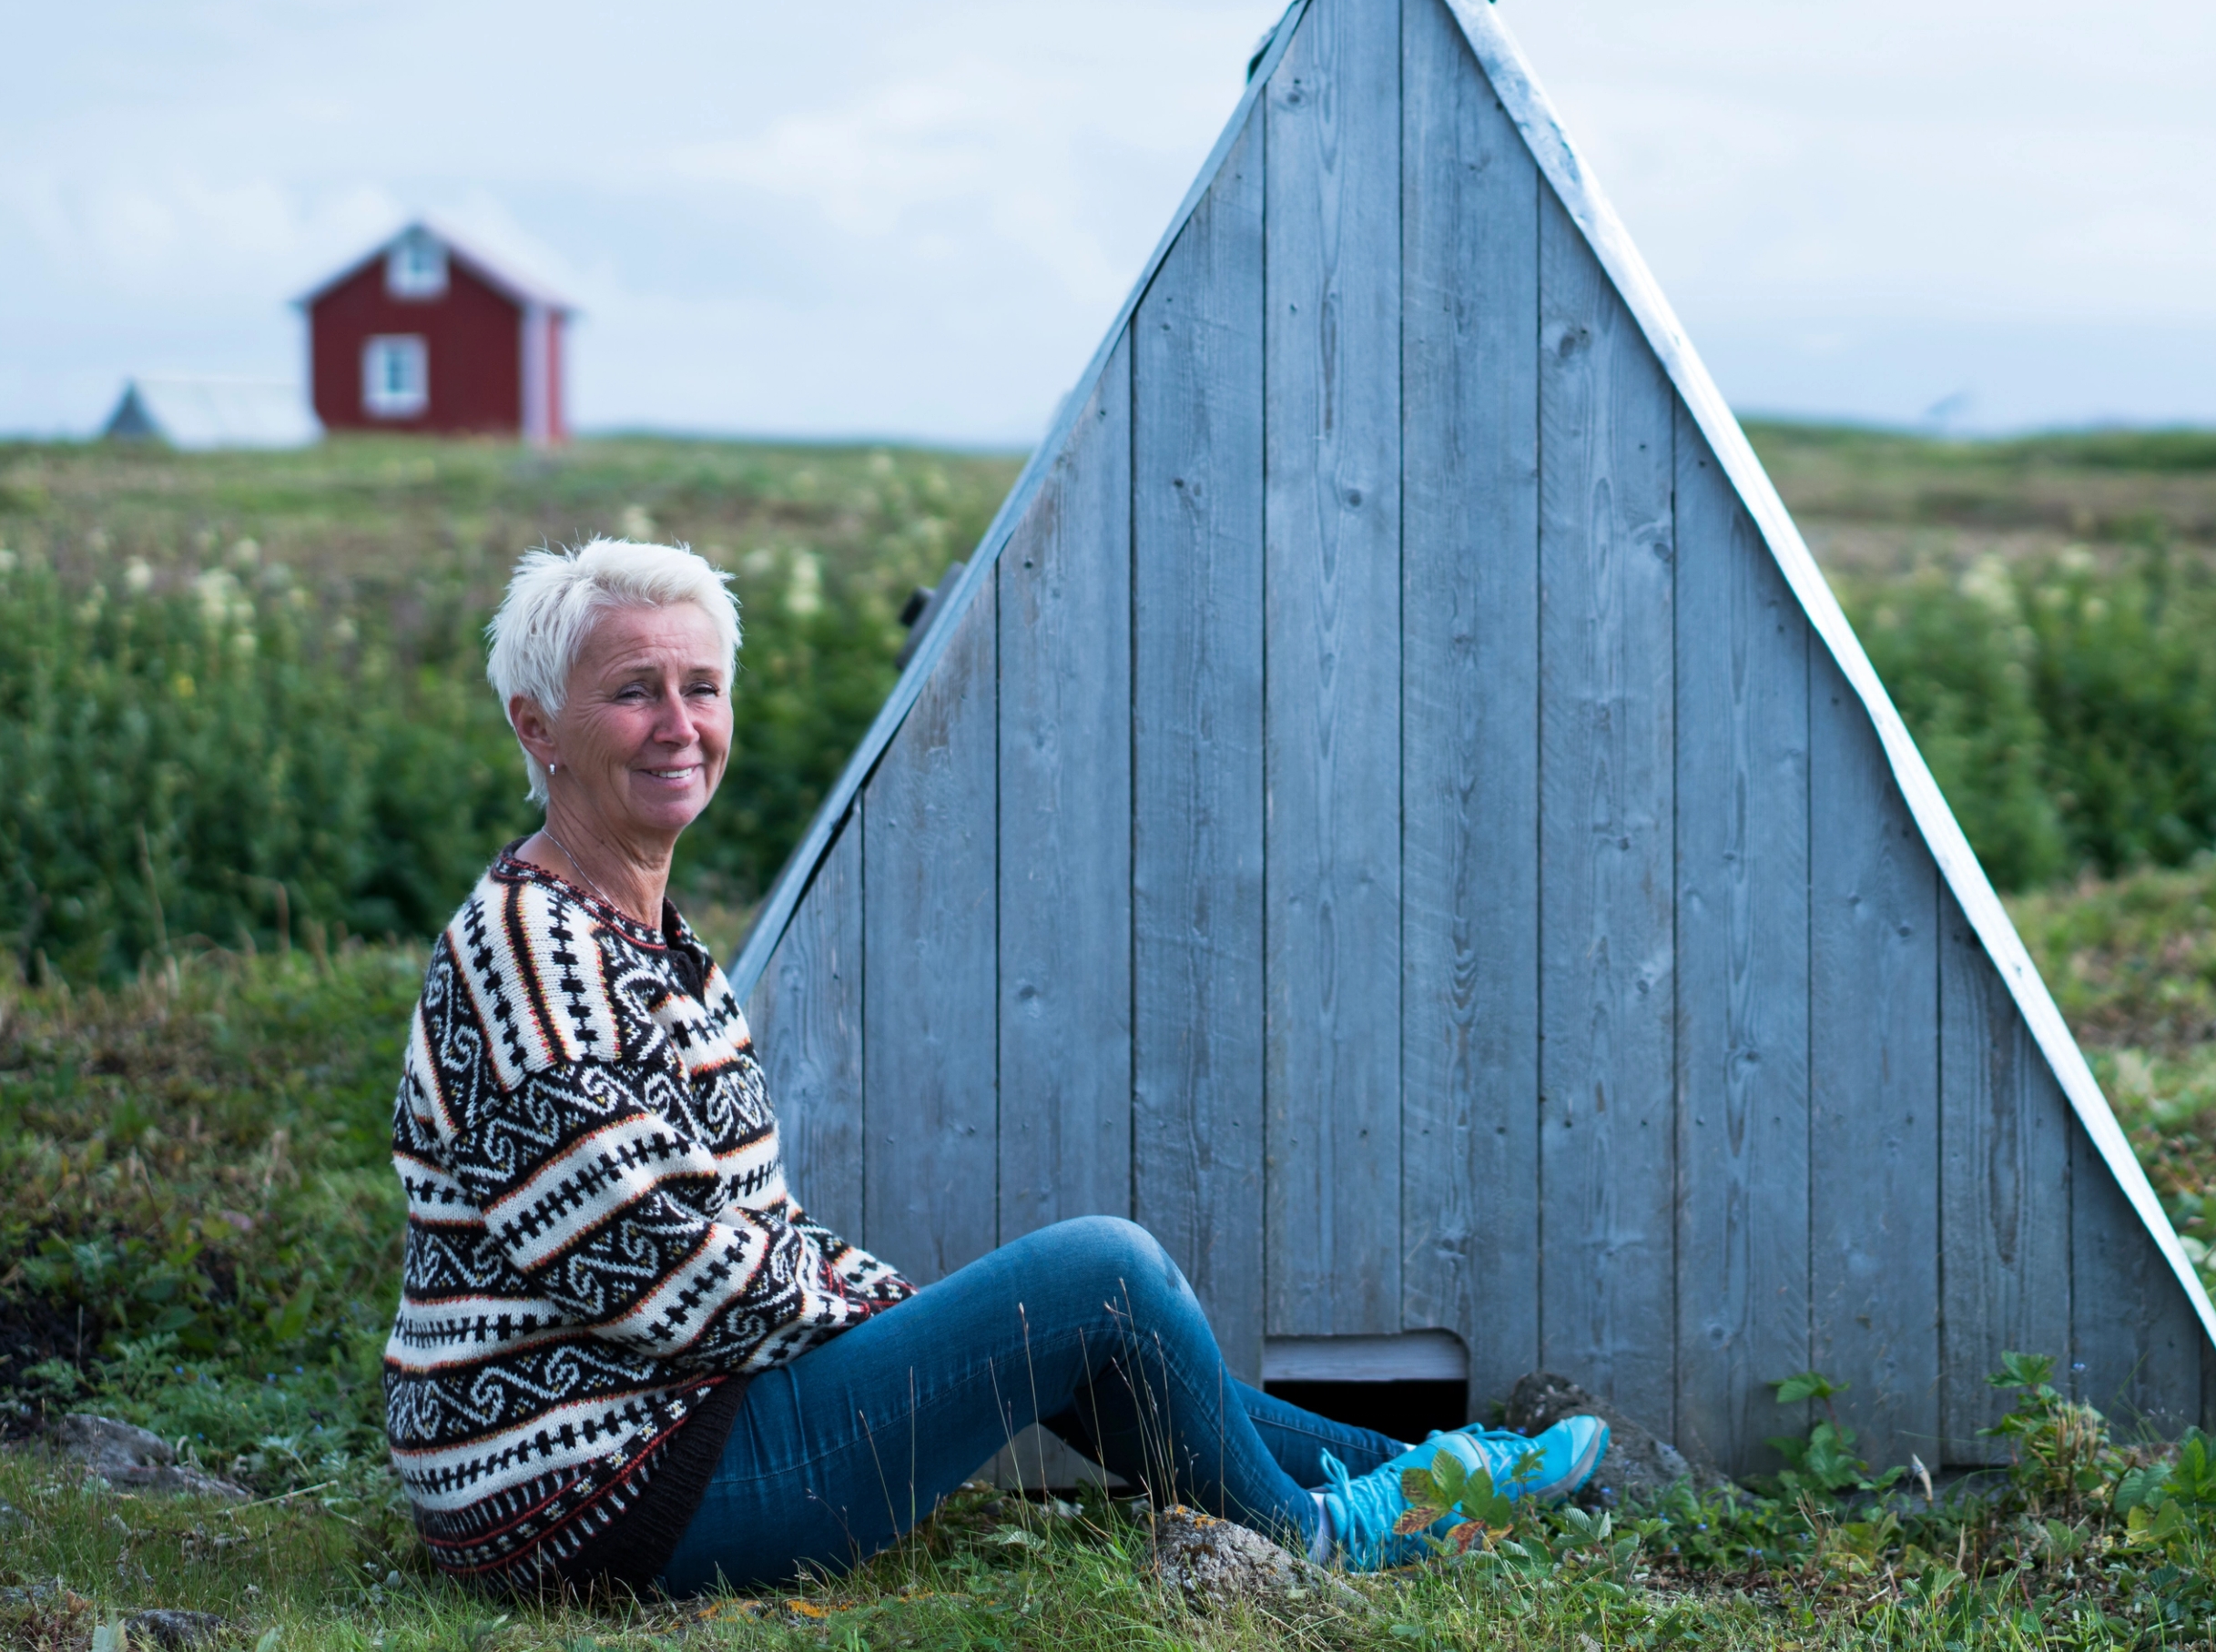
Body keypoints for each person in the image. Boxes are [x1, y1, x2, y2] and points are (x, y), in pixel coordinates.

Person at [386, 537, 1606, 1596]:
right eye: (633, 692)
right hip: (593, 1497)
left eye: (702, 688)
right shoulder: (530, 962)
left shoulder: (640, 938)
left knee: (1064, 1313)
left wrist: (895, 1313)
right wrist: (890, 1317)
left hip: (666, 1437)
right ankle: (1325, 1532)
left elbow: (746, 1234)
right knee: (1093, 1276)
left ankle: (1413, 1478)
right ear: (536, 725)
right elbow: (667, 1279)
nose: (680, 724)